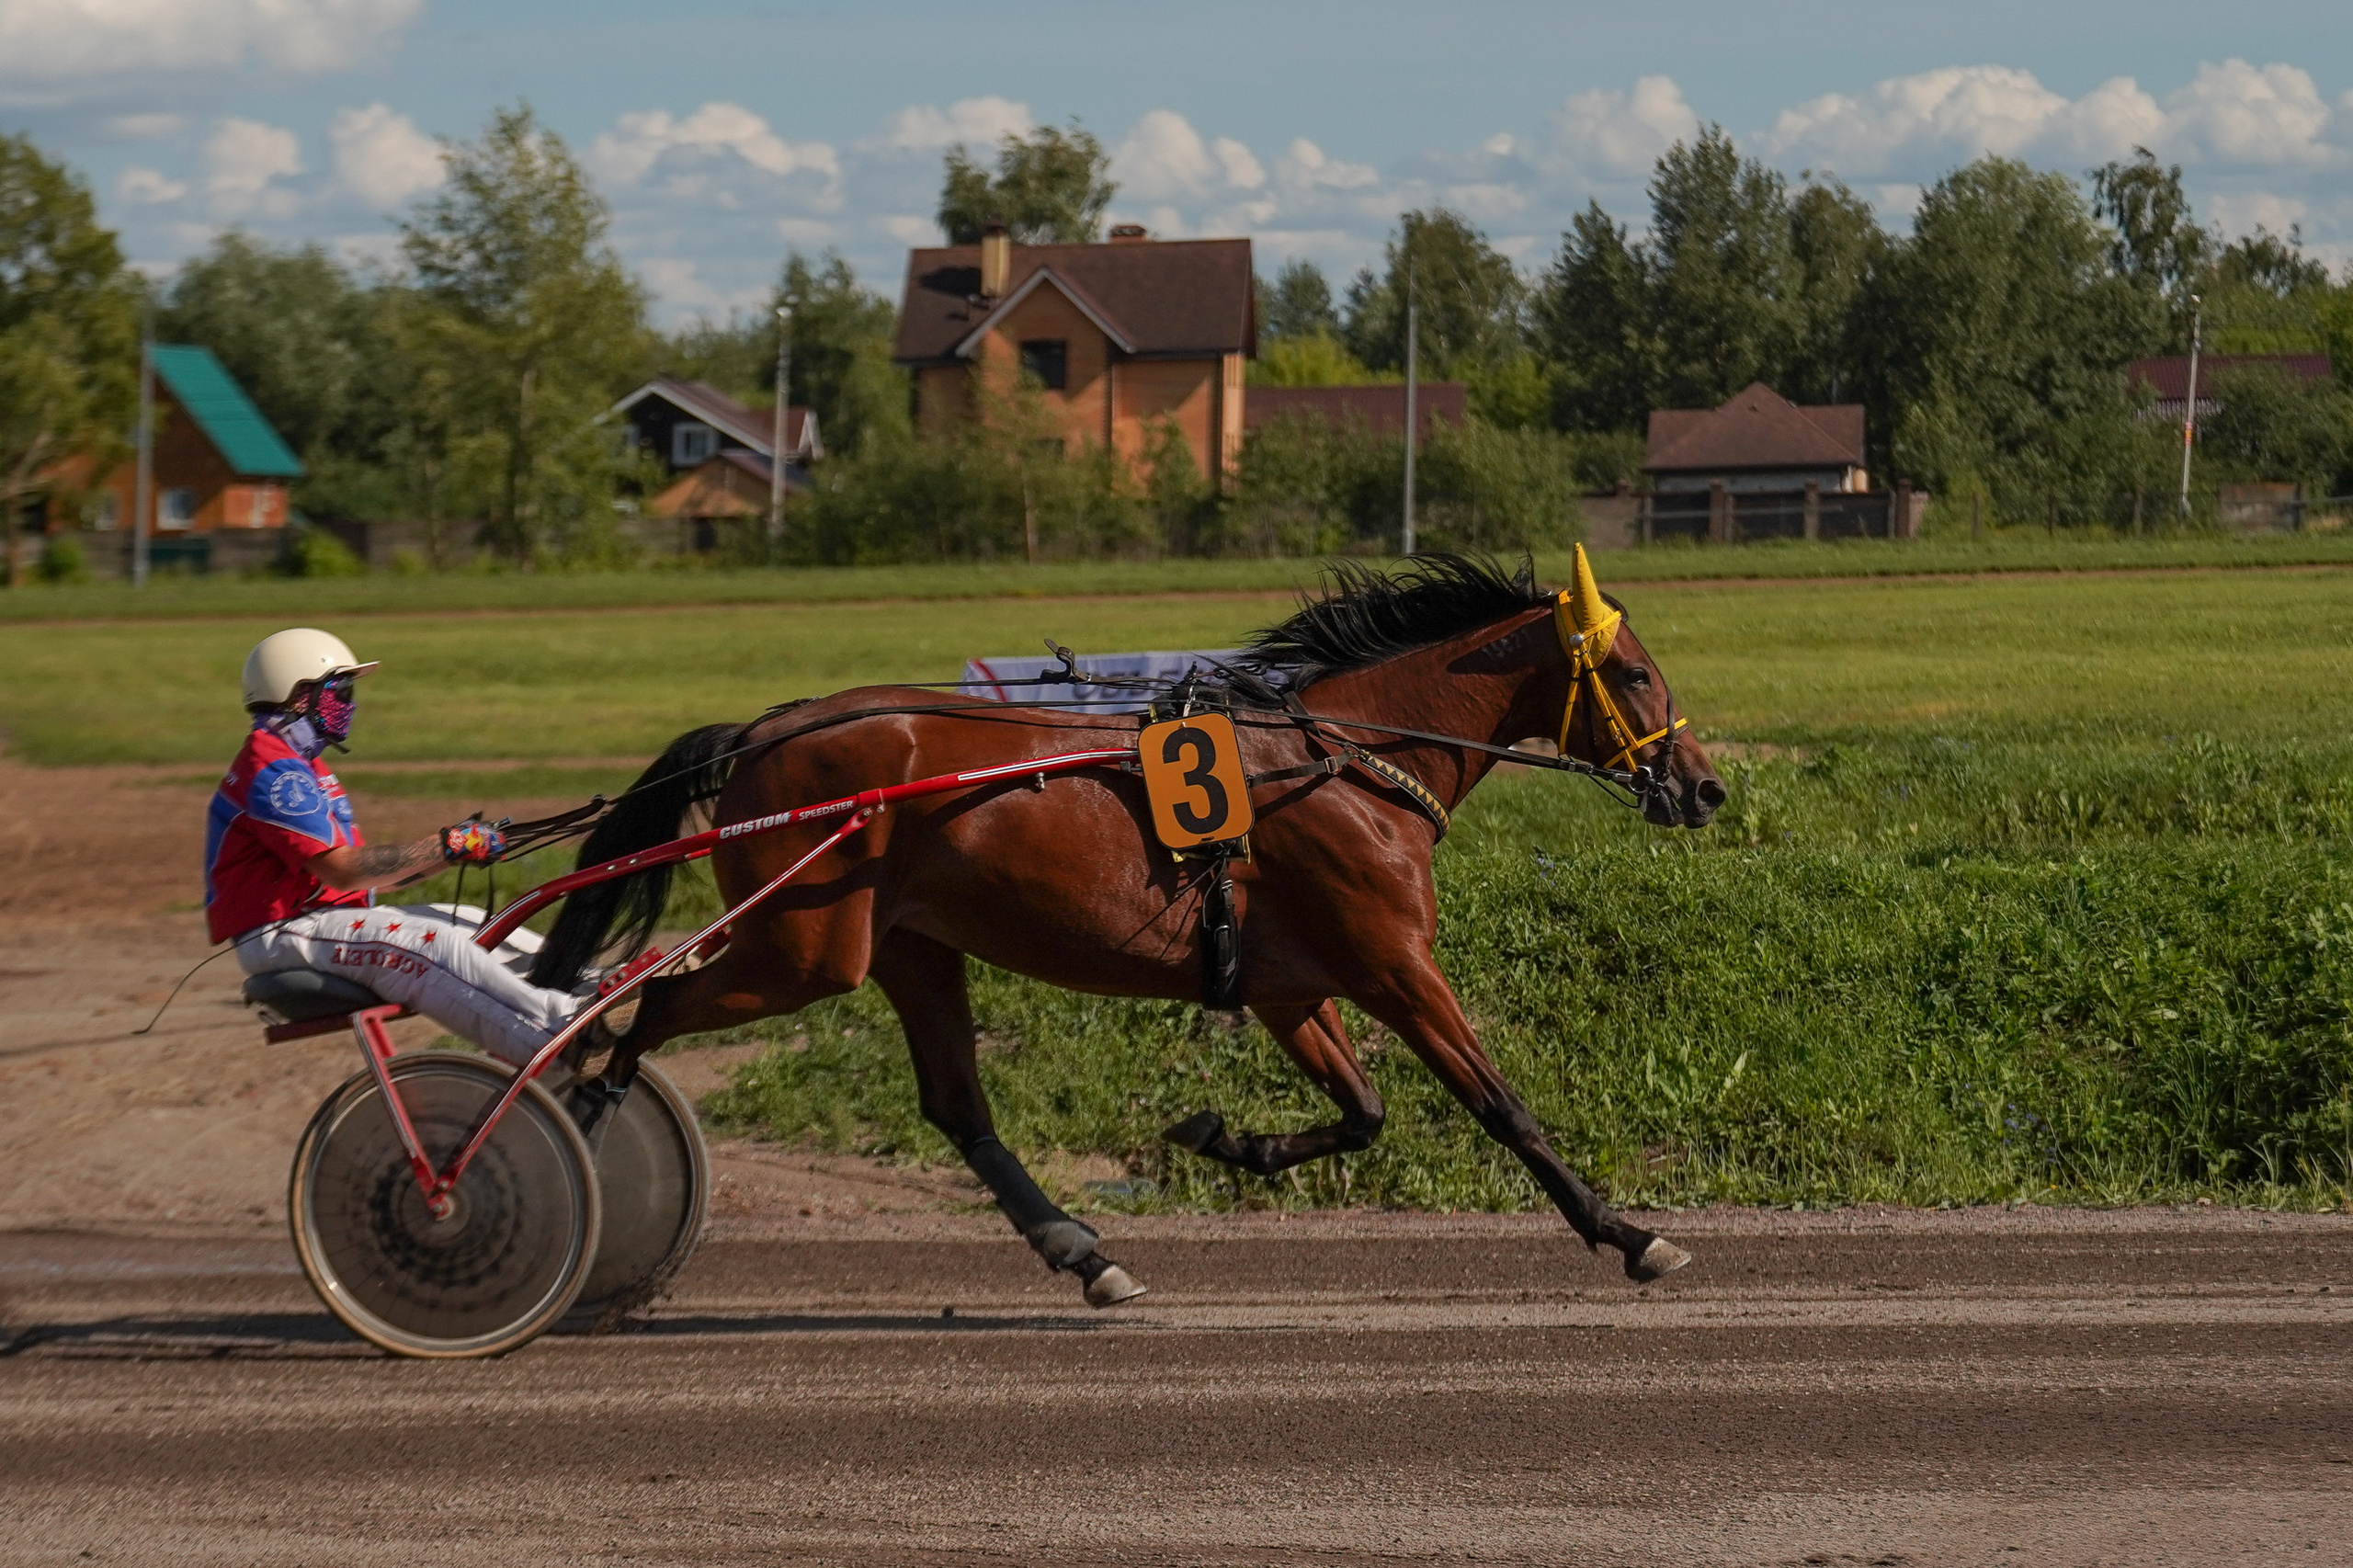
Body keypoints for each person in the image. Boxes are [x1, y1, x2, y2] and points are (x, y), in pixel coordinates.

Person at [210, 628, 605, 1067]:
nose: (350, 703)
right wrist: (448, 846)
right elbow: (342, 870)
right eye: (340, 689)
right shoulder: (274, 770)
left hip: (322, 919)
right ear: (299, 694)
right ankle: (557, 1029)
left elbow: (366, 878)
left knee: (473, 922)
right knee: (437, 944)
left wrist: (451, 851)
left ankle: (595, 987)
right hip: (281, 933)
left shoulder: (300, 762)